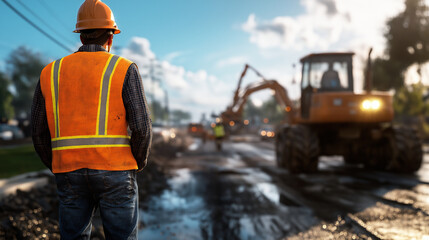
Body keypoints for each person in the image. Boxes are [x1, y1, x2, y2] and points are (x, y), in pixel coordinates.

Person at [31, 0, 152, 239]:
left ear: (81, 36)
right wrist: (137, 162)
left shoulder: (50, 72)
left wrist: (58, 164)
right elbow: (141, 127)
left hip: (69, 172)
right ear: (111, 37)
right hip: (116, 172)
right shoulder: (124, 68)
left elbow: (38, 131)